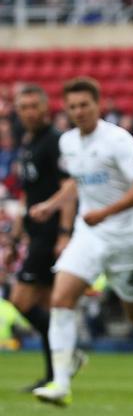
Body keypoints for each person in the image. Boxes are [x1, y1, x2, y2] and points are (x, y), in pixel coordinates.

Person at [28, 78, 133, 407]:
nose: (79, 111)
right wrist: (51, 205)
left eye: (84, 105)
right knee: (61, 298)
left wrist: (105, 212)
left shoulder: (118, 140)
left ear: (98, 104)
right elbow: (78, 183)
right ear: (66, 109)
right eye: (73, 106)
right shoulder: (68, 143)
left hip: (127, 239)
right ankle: (61, 383)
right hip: (89, 234)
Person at [10, 84, 78, 391]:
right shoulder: (29, 143)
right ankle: (56, 372)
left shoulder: (54, 142)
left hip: (50, 234)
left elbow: (69, 188)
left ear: (45, 107)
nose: (28, 112)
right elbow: (28, 192)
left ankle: (67, 359)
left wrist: (64, 232)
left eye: (33, 106)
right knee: (48, 306)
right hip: (35, 233)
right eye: (23, 107)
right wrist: (17, 235)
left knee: (21, 301)